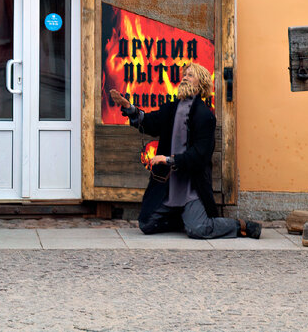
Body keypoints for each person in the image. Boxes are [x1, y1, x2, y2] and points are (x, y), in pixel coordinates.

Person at [110, 64, 262, 240]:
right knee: (147, 224)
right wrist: (130, 108)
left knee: (198, 230)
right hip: (169, 187)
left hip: (192, 188)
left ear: (201, 84)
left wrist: (169, 160)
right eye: (185, 74)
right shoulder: (171, 108)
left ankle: (241, 226)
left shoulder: (205, 116)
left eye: (190, 75)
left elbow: (200, 155)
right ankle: (183, 217)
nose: (184, 77)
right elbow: (151, 122)